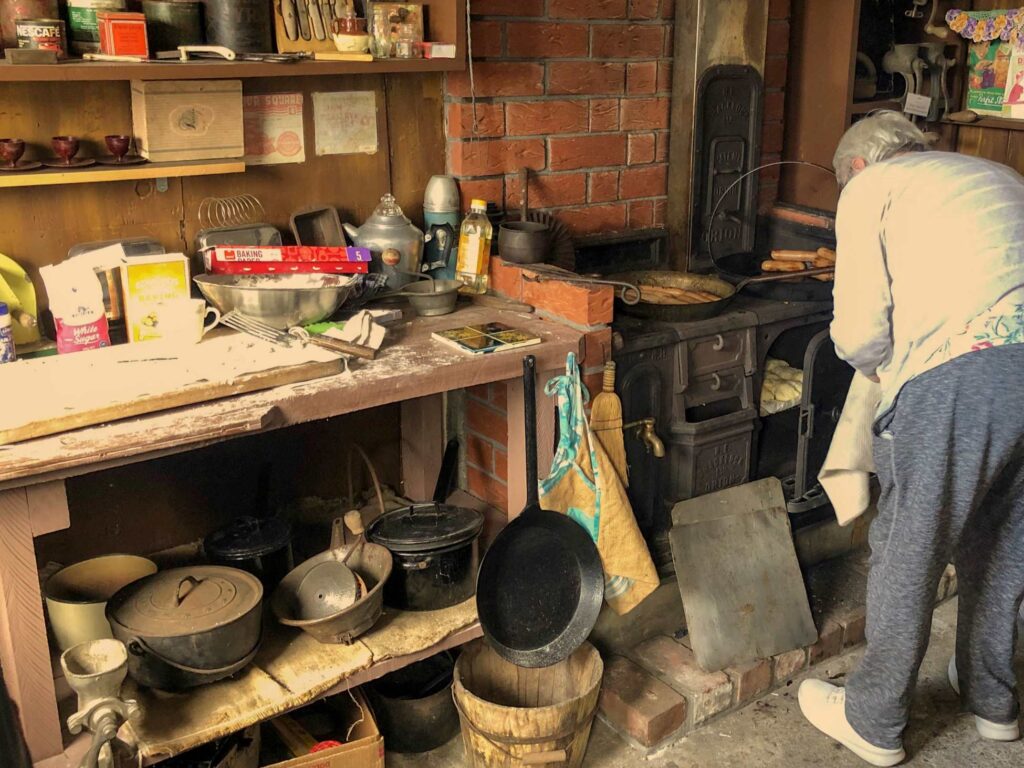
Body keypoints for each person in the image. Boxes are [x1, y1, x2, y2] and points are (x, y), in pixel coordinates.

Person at [798, 110, 1024, 766]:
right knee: (1006, 538)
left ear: (858, 169)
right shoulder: (998, 172)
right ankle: (993, 700)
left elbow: (861, 332)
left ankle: (872, 719)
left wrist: (882, 374)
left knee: (910, 545)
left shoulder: (872, 189)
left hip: (962, 368)